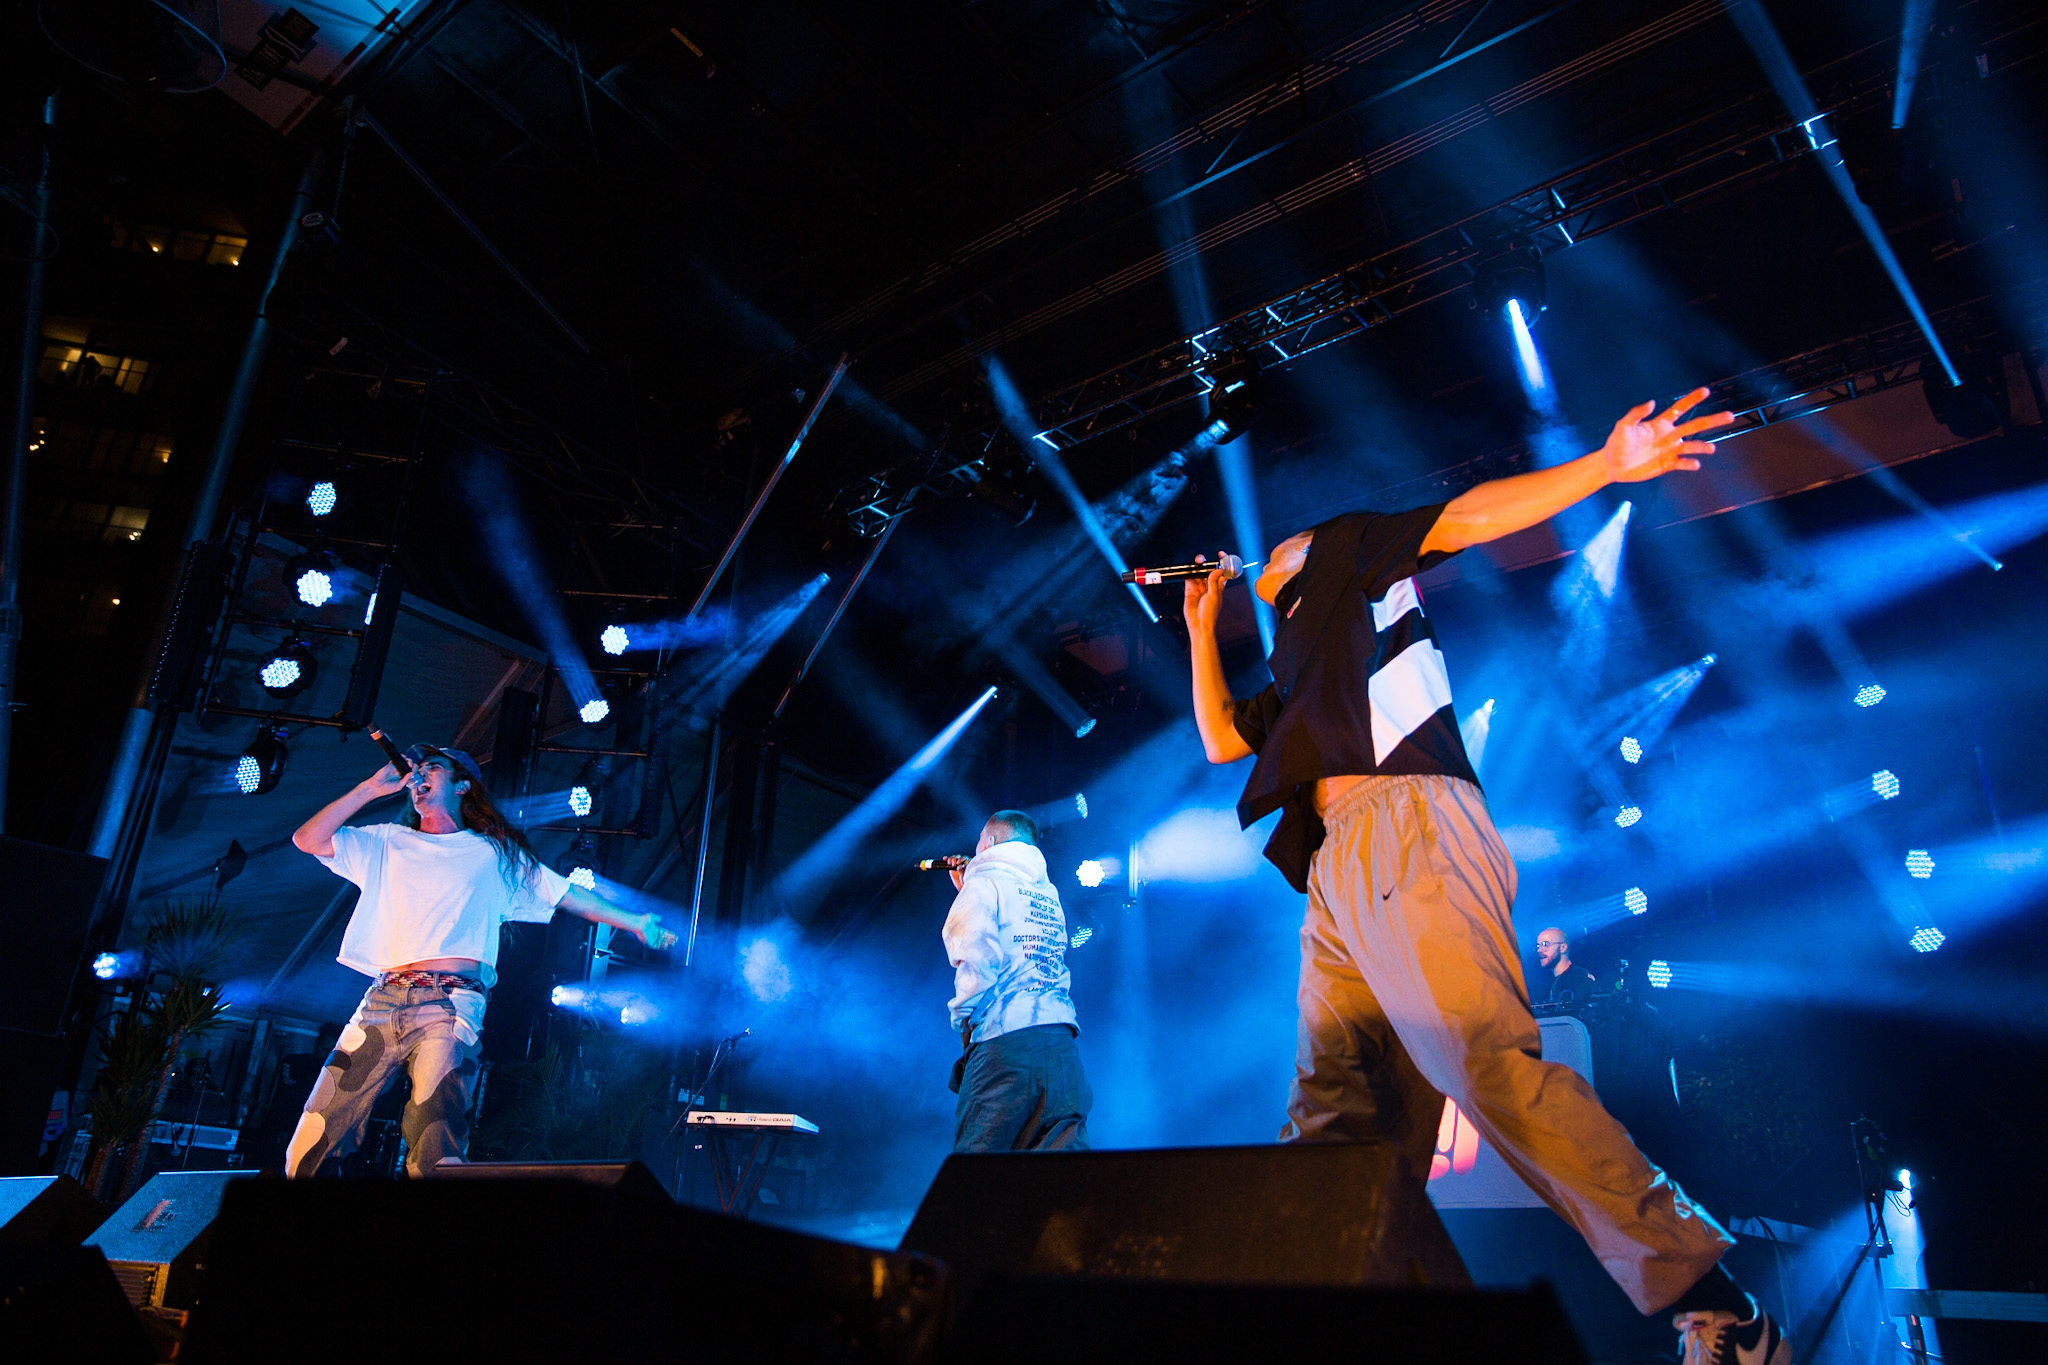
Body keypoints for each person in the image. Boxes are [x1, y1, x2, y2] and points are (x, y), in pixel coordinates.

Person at [1183, 390, 1789, 1365]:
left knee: (1489, 1070)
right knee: (1334, 1110)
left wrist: (1605, 465)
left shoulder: (1349, 552)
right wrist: (1198, 623)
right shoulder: (1299, 653)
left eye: (1271, 548)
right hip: (1339, 865)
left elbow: (1464, 517)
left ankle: (1716, 1300)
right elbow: (1220, 738)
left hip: (1409, 826)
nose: (1259, 558)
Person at [285, 746, 678, 1178]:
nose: (419, 775)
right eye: (417, 769)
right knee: (313, 1138)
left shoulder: (493, 853)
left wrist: (634, 921)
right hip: (383, 998)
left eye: (433, 767)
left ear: (461, 785)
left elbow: (565, 893)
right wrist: (369, 789)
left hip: (450, 1004)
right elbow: (308, 839)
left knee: (435, 1138)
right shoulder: (386, 841)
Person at [941, 809, 1091, 1152]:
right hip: (1061, 1046)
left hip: (1005, 1045)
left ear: (990, 842)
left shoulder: (984, 883)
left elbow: (977, 958)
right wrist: (968, 887)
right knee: (1065, 1175)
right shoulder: (1047, 893)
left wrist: (964, 1022)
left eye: (980, 840)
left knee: (981, 1168)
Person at [1536, 926, 1601, 1007]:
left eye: (1545, 944)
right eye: (1538, 946)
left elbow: (1593, 1010)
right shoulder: (1545, 982)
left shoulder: (1579, 977)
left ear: (1563, 947)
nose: (1539, 950)